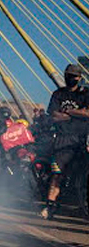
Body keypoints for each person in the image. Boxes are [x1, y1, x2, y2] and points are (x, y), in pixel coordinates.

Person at [40, 64, 89, 220]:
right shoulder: (58, 94)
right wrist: (78, 114)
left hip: (82, 138)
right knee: (57, 173)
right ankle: (50, 205)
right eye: (69, 75)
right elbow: (54, 115)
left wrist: (67, 112)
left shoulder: (85, 94)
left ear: (80, 78)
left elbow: (88, 113)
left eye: (74, 76)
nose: (71, 78)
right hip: (63, 139)